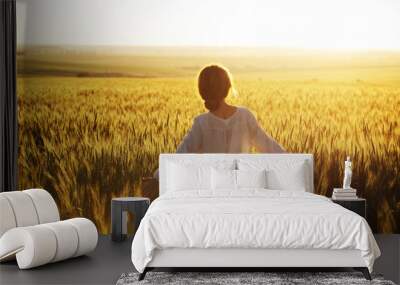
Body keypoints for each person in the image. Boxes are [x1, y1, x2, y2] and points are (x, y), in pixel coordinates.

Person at [176, 64, 285, 153]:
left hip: (213, 180)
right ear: (228, 88)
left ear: (202, 92)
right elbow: (271, 148)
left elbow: (178, 157)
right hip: (241, 180)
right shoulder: (245, 116)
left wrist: (158, 176)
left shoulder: (201, 123)